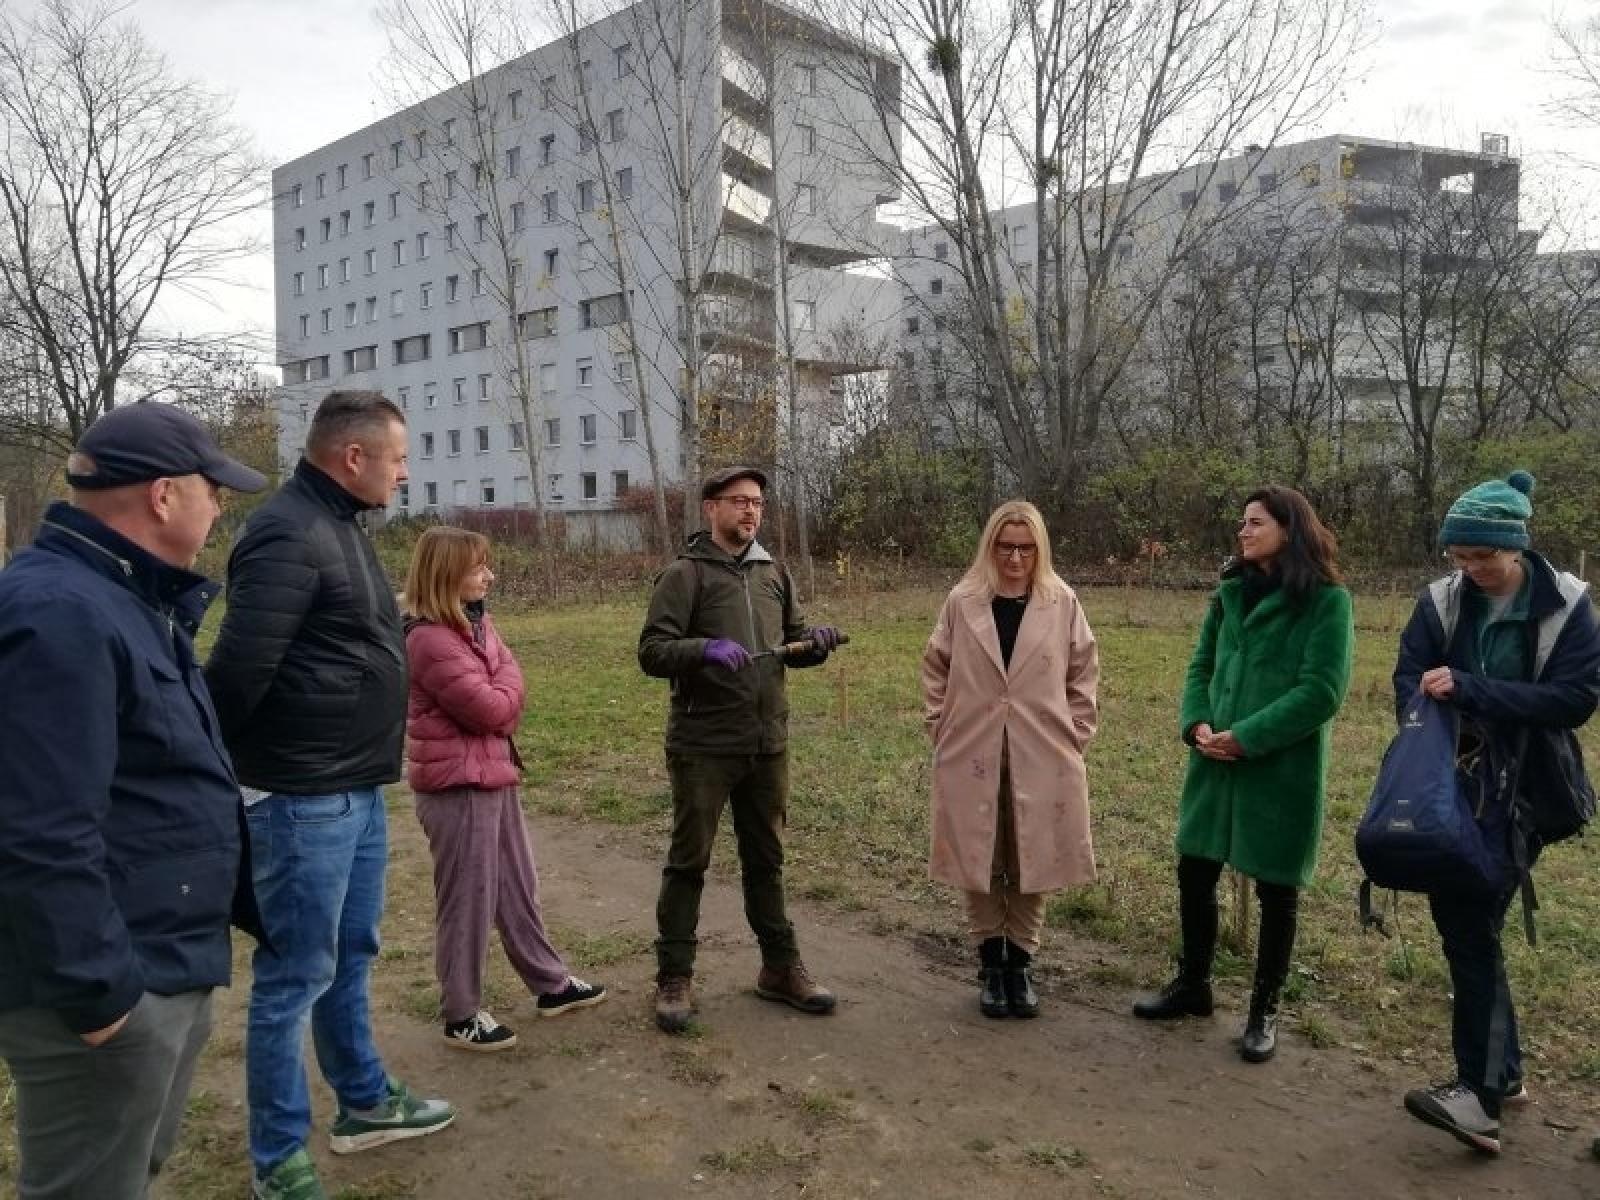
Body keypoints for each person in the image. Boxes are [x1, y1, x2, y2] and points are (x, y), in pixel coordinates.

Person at [0, 404, 266, 1198]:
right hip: (108, 988)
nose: (220, 506)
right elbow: (35, 829)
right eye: (213, 489)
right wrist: (103, 997)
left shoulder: (123, 595)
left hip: (161, 955)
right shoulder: (60, 613)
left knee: (126, 1175)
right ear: (163, 495)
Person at [204, 391, 453, 1200]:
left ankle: (365, 1102)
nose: (405, 472)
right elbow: (237, 676)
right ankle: (277, 1158)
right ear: (354, 457)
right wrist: (226, 778)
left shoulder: (337, 525)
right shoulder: (285, 532)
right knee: (293, 977)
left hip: (352, 789)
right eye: (398, 458)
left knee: (351, 956)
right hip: (300, 798)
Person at [1392, 471, 1600, 1156]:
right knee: (1469, 922)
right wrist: (1425, 724)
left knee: (1469, 918)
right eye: (1460, 556)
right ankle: (1500, 1077)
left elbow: (1575, 700)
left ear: (1517, 547)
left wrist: (1474, 691)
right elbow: (1409, 674)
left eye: (1486, 556)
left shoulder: (1568, 605)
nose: (1473, 569)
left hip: (1530, 791)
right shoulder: (1441, 600)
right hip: (1454, 785)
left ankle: (1479, 1098)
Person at [1132, 485, 1353, 1065]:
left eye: (1255, 522)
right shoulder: (1228, 593)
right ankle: (1194, 985)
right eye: (1242, 522)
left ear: (1291, 527)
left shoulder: (1329, 602)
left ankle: (1264, 1009)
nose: (1244, 531)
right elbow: (1201, 664)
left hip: (1280, 767)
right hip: (1212, 761)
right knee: (1194, 867)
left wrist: (1248, 737)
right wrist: (1196, 722)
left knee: (1278, 888)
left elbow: (1322, 691)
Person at [638, 465, 843, 1033]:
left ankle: (780, 968)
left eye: (757, 503)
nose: (750, 512)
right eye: (738, 502)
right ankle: (674, 976)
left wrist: (816, 645)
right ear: (711, 508)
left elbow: (791, 645)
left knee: (767, 861)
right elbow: (652, 651)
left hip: (766, 742)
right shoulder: (685, 575)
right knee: (689, 862)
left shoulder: (774, 572)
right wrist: (703, 649)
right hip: (703, 745)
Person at [402, 526, 607, 1052]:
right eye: (478, 568)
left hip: (493, 772)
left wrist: (504, 689)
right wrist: (505, 691)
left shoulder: (475, 623)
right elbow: (494, 707)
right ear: (448, 575)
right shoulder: (428, 638)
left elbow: (508, 684)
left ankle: (550, 983)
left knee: (517, 885)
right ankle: (461, 1013)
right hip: (458, 785)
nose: (489, 576)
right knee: (468, 899)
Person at [920, 500, 1100, 1018]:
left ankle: (1020, 960)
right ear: (990, 547)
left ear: (1039, 549)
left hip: (1042, 750)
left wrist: (1076, 735)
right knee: (979, 855)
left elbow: (1083, 671)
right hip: (971, 749)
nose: (1015, 557)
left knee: (1032, 853)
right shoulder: (963, 600)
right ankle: (989, 960)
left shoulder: (1060, 601)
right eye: (1005, 547)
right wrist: (940, 725)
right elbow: (936, 664)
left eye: (1025, 547)